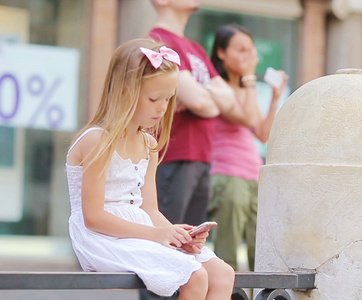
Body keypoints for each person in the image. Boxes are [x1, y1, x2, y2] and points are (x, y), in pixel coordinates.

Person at [66, 38, 234, 299]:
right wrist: (157, 235)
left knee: (223, 274)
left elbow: (149, 209)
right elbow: (94, 217)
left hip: (141, 230)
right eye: (154, 98)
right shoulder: (97, 140)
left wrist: (178, 235)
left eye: (168, 99)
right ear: (124, 92)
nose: (163, 108)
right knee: (195, 276)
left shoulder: (148, 143)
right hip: (101, 237)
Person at [148, 0, 236, 228]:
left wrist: (199, 92)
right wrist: (205, 97)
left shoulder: (195, 48)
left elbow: (228, 99)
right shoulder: (159, 41)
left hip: (202, 157)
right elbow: (198, 102)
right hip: (174, 155)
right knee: (170, 236)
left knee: (193, 241)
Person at [208, 25, 289, 271]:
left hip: (253, 174)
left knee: (260, 255)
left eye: (250, 51)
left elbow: (263, 134)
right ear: (221, 52)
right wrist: (250, 77)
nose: (247, 56)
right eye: (240, 50)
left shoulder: (246, 89)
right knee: (228, 255)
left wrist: (275, 98)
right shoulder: (217, 86)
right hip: (227, 175)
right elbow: (246, 117)